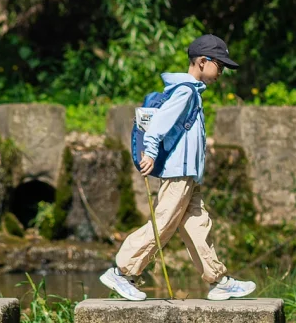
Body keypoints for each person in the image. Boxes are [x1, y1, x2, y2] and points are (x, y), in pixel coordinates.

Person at [99, 33, 256, 302]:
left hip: (189, 176)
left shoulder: (191, 92)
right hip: (178, 173)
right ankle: (123, 271)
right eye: (220, 65)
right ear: (203, 62)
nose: (221, 72)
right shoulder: (184, 91)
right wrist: (149, 150)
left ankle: (218, 280)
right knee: (163, 223)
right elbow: (160, 122)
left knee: (197, 225)